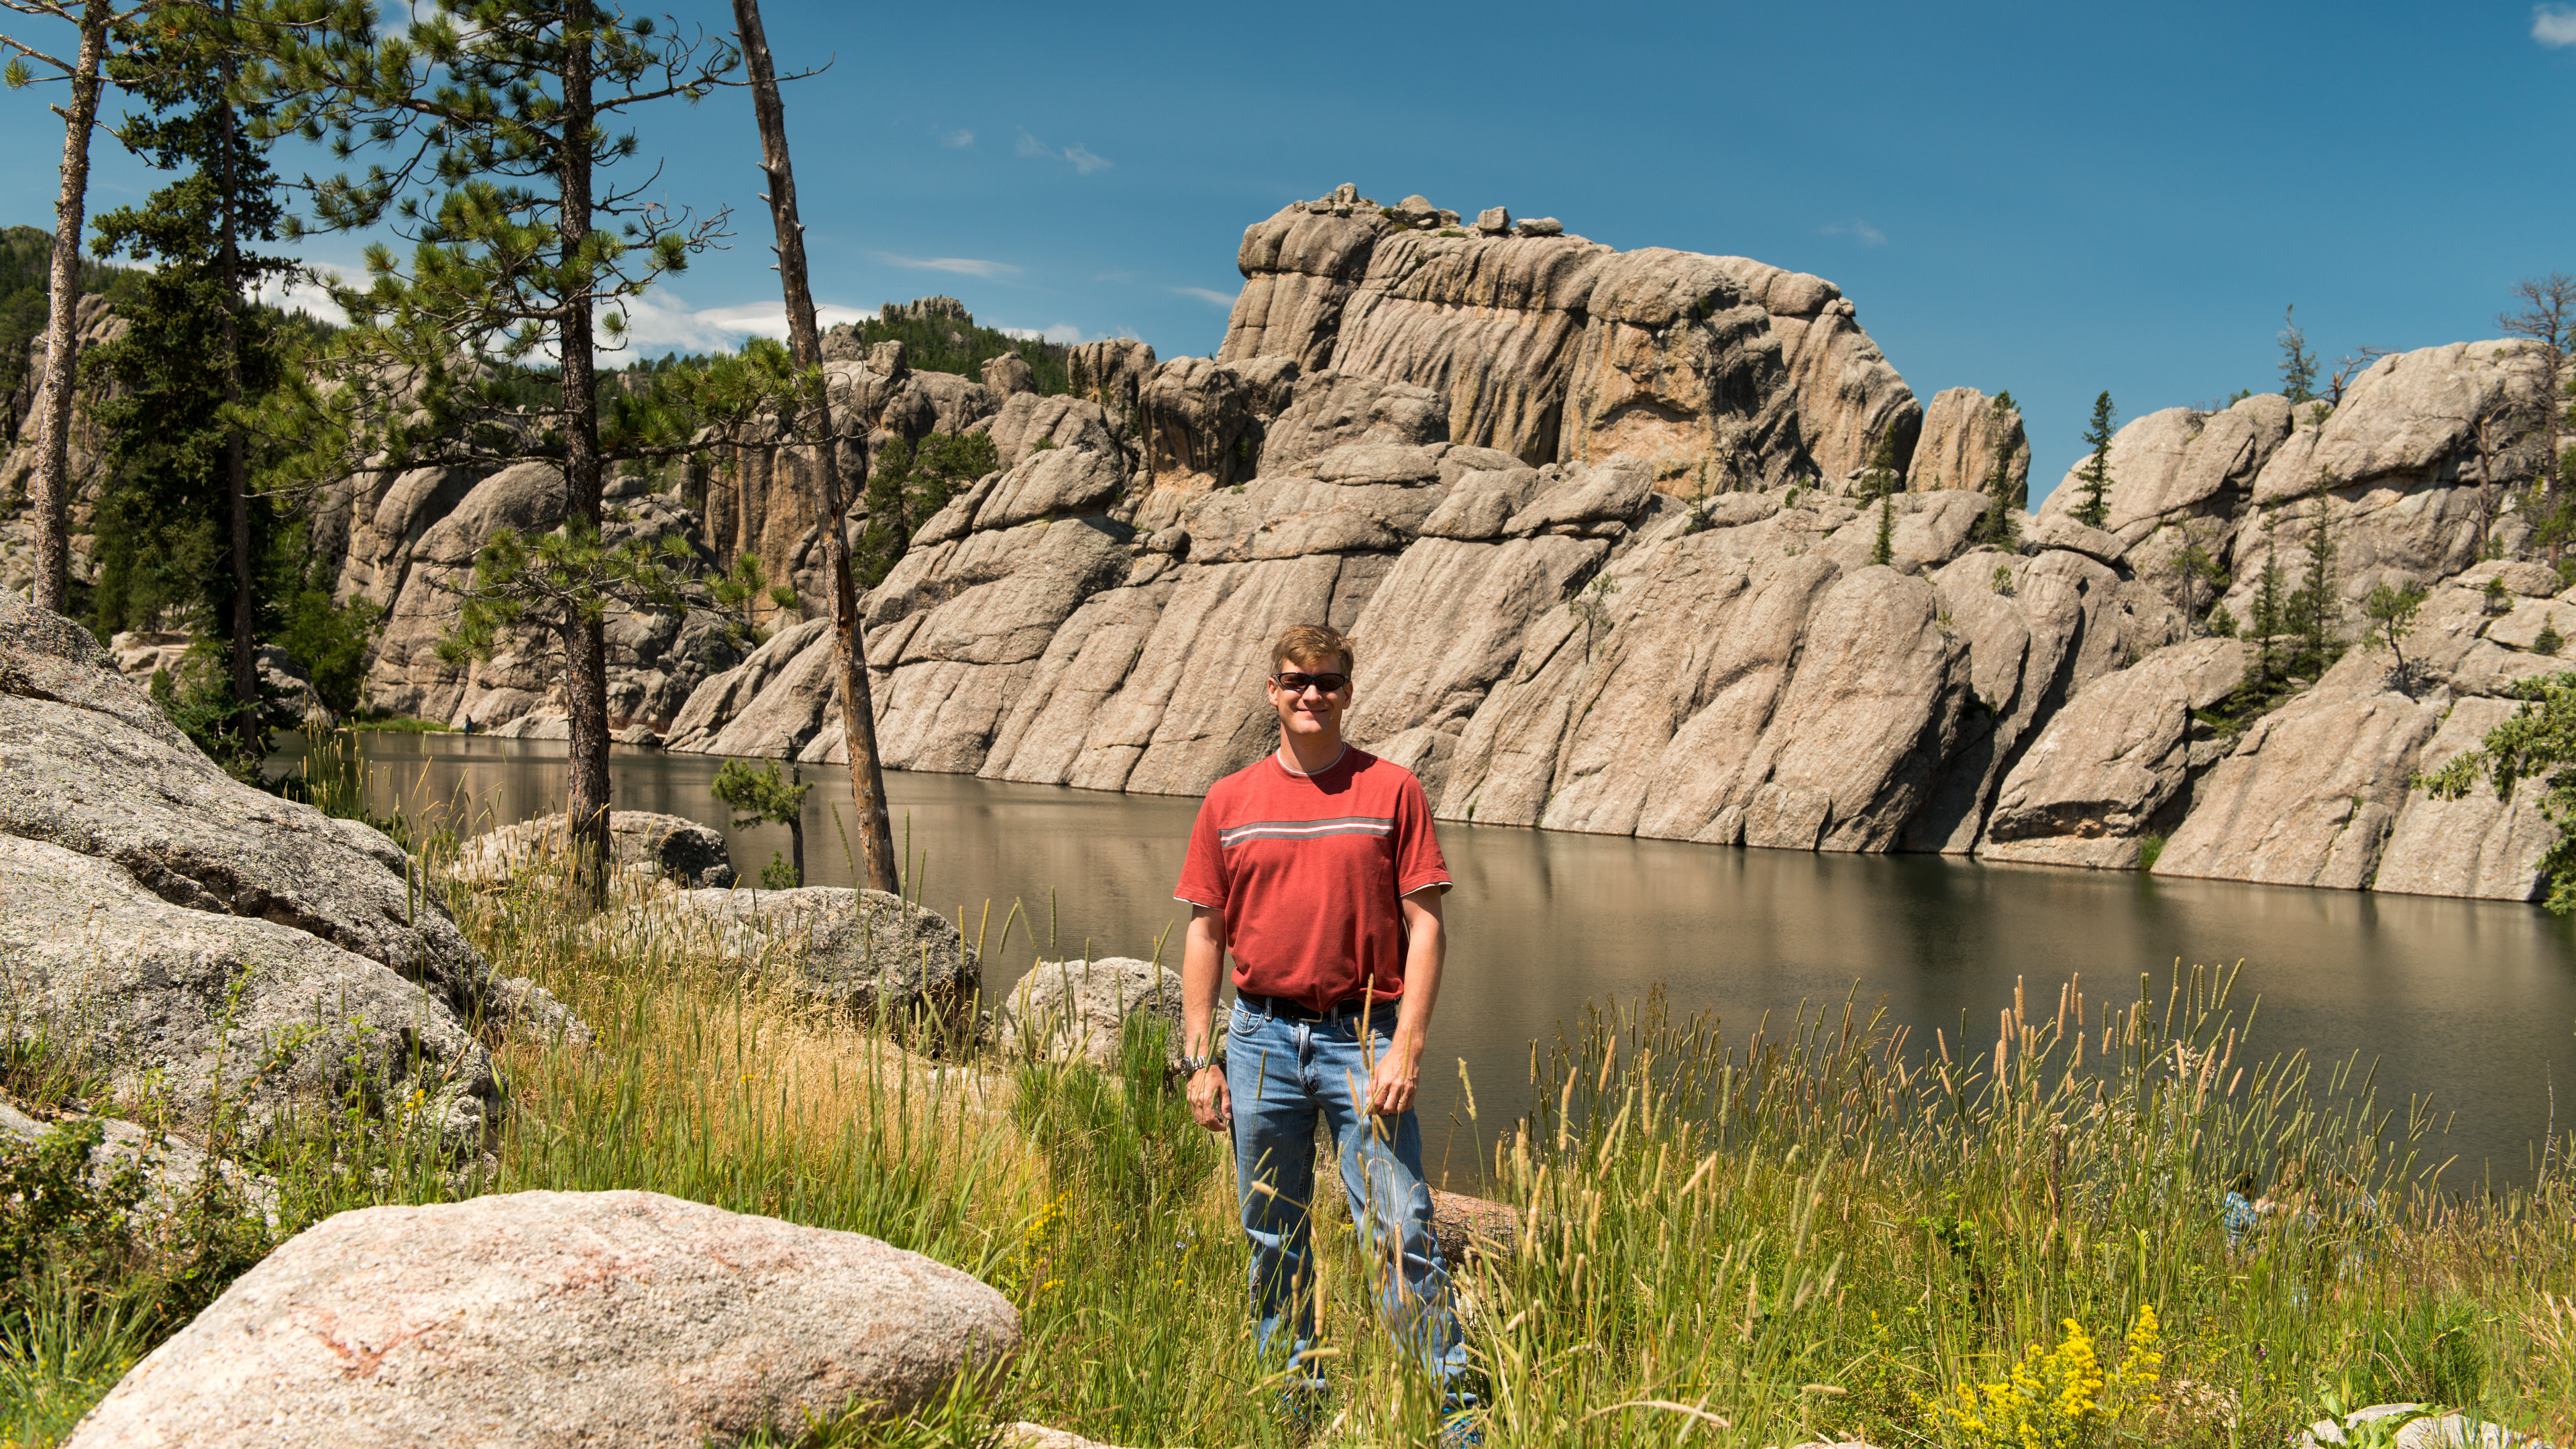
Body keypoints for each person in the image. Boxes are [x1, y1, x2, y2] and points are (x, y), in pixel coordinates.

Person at [1177, 623, 1472, 1440]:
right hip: (1260, 1040)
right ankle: (1293, 1412)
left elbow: (1426, 927)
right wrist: (1201, 1059)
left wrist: (1408, 1046)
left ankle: (1450, 1421)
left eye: (1329, 681)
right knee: (1273, 1234)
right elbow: (1205, 933)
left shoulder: (1392, 790)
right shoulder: (1228, 800)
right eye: (1297, 681)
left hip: (1363, 1041)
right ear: (1272, 691)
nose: (1313, 694)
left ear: (1348, 690)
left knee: (1402, 1232)